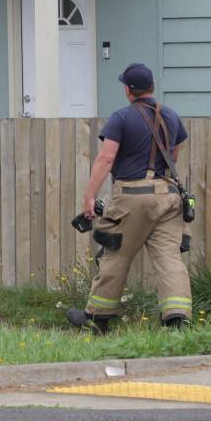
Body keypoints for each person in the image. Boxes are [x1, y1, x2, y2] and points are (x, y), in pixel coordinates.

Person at [67, 63, 192, 334]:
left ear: (128, 90)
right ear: (152, 89)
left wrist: (89, 197)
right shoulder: (171, 116)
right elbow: (174, 155)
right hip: (168, 197)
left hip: (132, 197)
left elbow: (106, 157)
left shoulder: (121, 117)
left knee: (116, 253)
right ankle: (178, 320)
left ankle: (96, 319)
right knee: (169, 258)